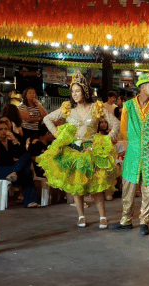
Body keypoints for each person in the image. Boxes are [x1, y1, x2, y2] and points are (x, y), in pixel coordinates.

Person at [37, 72, 120, 229]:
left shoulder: (97, 108)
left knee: (97, 186)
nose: (74, 94)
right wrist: (58, 135)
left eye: (77, 91)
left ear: (85, 91)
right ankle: (81, 216)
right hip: (74, 152)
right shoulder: (68, 110)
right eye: (72, 91)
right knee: (77, 186)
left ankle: (103, 217)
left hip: (92, 152)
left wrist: (105, 139)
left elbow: (115, 124)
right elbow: (47, 119)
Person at [108, 73, 149, 236]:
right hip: (133, 153)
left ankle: (144, 221)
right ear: (142, 87)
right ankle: (126, 220)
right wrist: (137, 141)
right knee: (128, 187)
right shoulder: (127, 106)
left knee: (148, 189)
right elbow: (123, 130)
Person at [0, 120, 38, 208]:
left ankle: (15, 172)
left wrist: (14, 140)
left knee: (27, 157)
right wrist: (13, 159)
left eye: (6, 129)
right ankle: (30, 201)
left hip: (12, 169)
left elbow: (21, 154)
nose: (4, 131)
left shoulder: (10, 143)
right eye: (1, 129)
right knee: (25, 172)